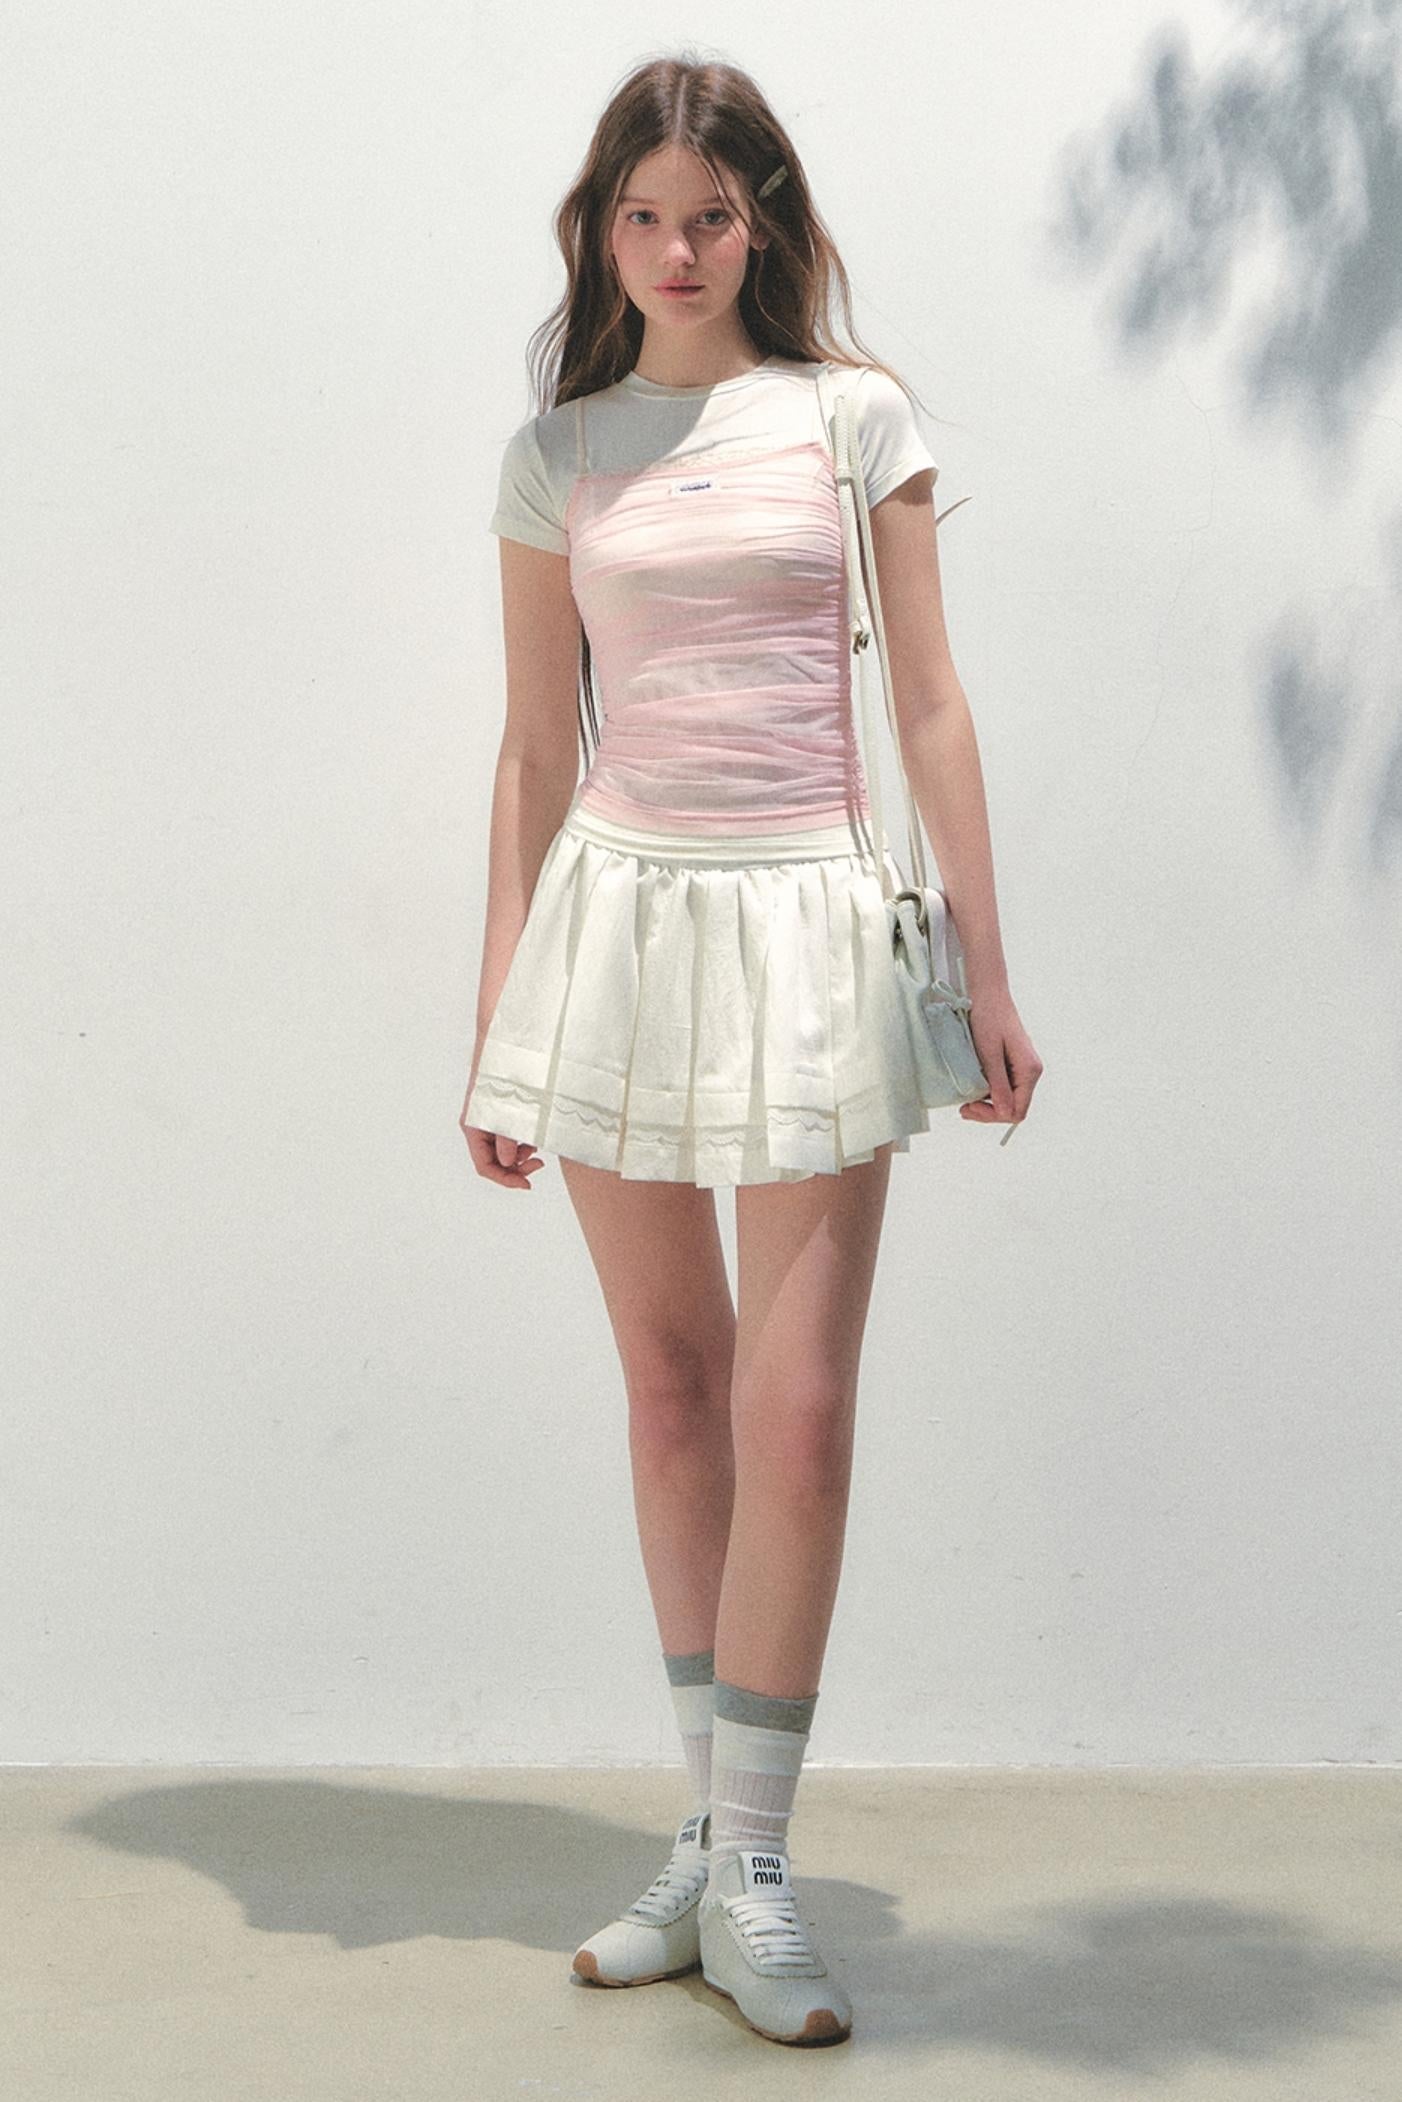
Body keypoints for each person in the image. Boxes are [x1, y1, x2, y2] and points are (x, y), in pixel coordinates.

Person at [459, 53, 1043, 2047]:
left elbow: (931, 705)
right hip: (614, 932)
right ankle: (704, 1845)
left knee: (793, 1413)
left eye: (709, 214)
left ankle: (759, 1867)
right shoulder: (557, 455)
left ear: (761, 223)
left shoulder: (850, 418)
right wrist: (496, 1020)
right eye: (641, 216)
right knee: (668, 1391)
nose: (676, 249)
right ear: (600, 232)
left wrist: (985, 968)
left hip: (808, 926)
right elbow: (534, 749)